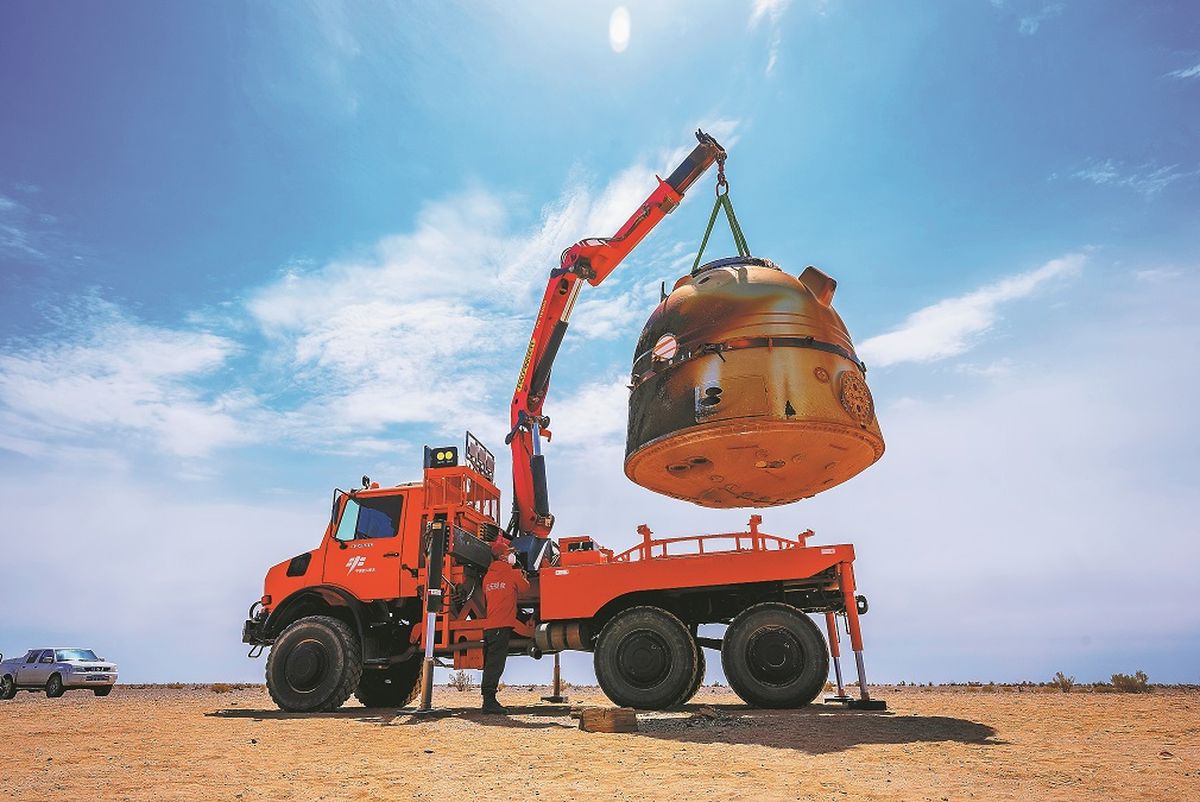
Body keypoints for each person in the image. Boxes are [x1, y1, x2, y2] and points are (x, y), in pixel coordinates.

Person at [480, 538, 529, 714]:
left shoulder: (487, 578)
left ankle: (488, 700)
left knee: (490, 663)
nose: (512, 556)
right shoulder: (512, 574)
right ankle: (489, 703)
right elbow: (525, 588)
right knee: (496, 665)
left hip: (490, 627)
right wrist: (522, 573)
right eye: (509, 553)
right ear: (502, 557)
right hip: (502, 626)